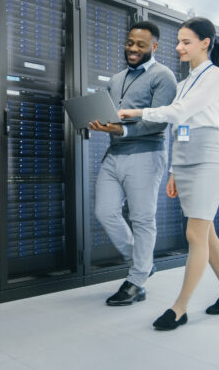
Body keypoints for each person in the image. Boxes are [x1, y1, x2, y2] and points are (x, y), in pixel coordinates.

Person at [118, 17, 219, 329]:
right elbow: (179, 129)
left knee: (194, 234)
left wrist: (138, 111)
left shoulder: (217, 77)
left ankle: (180, 307)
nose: (179, 47)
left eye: (186, 42)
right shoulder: (184, 84)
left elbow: (178, 113)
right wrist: (173, 170)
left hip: (209, 159)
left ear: (205, 43)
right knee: (206, 233)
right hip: (185, 160)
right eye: (179, 41)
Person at [89, 21, 177, 306]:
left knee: (142, 218)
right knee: (105, 212)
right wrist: (97, 123)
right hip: (114, 154)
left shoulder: (164, 77)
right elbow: (113, 116)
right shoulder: (116, 79)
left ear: (154, 47)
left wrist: (122, 130)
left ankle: (136, 281)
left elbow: (160, 120)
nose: (133, 49)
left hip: (145, 154)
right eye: (130, 43)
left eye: (140, 45)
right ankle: (142, 263)